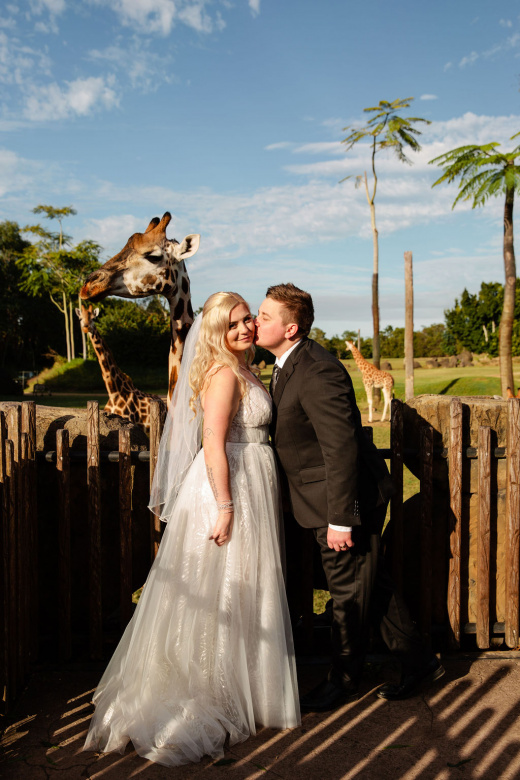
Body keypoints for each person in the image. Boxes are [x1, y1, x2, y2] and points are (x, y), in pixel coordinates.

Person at [83, 292, 300, 767]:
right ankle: (211, 690)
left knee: (246, 586)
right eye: (232, 324)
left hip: (253, 483)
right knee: (221, 588)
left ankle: (247, 687)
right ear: (216, 331)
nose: (244, 329)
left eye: (247, 319)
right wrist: (225, 506)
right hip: (229, 487)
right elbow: (213, 442)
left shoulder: (246, 369)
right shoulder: (223, 374)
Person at [255, 283, 444, 712]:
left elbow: (340, 449)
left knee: (347, 594)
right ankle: (420, 663)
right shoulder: (285, 364)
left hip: (341, 503)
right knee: (368, 585)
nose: (256, 321)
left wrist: (342, 519)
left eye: (265, 316)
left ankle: (342, 680)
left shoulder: (318, 370)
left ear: (290, 328)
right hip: (318, 501)